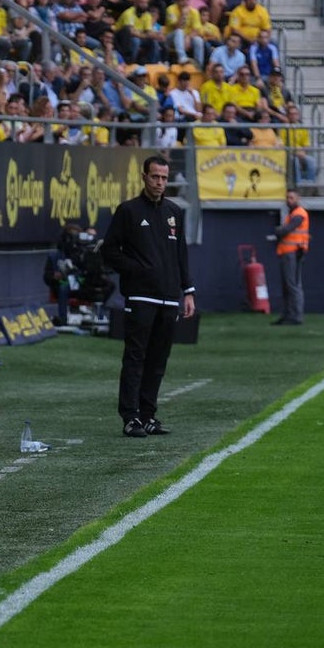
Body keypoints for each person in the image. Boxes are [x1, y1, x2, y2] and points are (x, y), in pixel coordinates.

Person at [101, 156, 196, 438]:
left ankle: (148, 415)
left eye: (164, 178)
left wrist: (187, 291)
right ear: (144, 176)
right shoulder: (128, 211)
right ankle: (130, 417)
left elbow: (181, 254)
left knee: (158, 360)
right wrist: (137, 270)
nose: (160, 183)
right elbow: (109, 251)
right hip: (141, 298)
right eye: (155, 177)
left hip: (169, 299)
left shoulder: (174, 212)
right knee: (135, 357)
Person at [269, 190, 308, 326]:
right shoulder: (292, 214)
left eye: (291, 197)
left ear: (298, 198)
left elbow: (286, 230)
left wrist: (278, 230)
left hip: (293, 253)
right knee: (287, 286)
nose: (288, 200)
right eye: (287, 198)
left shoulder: (299, 214)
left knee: (293, 286)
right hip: (288, 253)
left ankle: (295, 316)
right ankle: (288, 315)